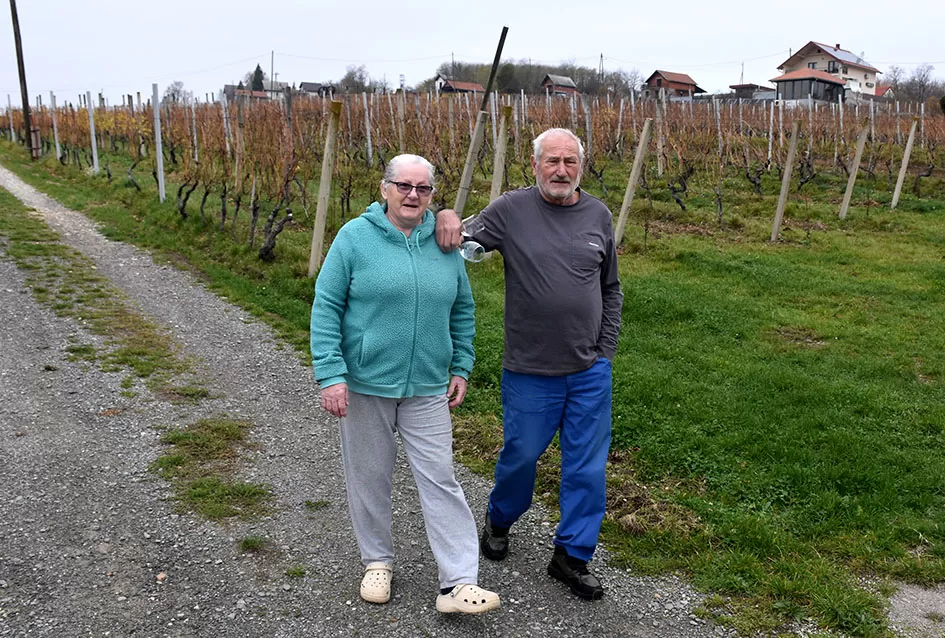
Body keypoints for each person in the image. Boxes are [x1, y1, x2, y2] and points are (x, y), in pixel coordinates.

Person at [435, 128, 623, 601]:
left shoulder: (598, 214)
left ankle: (572, 556)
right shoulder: (511, 210)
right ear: (534, 165)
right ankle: (499, 519)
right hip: (530, 369)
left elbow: (611, 287)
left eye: (570, 161)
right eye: (551, 161)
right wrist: (446, 214)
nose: (561, 170)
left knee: (587, 467)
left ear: (581, 165)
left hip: (588, 371)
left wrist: (605, 351)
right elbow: (461, 241)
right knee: (520, 457)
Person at [310, 154, 500, 614]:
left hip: (428, 385)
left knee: (441, 479)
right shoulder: (354, 238)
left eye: (423, 188)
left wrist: (461, 365)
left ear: (433, 195)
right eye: (404, 186)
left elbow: (462, 309)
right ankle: (377, 561)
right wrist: (331, 373)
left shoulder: (443, 240)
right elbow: (326, 305)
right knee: (370, 476)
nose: (413, 195)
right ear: (385, 189)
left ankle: (457, 583)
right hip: (365, 384)